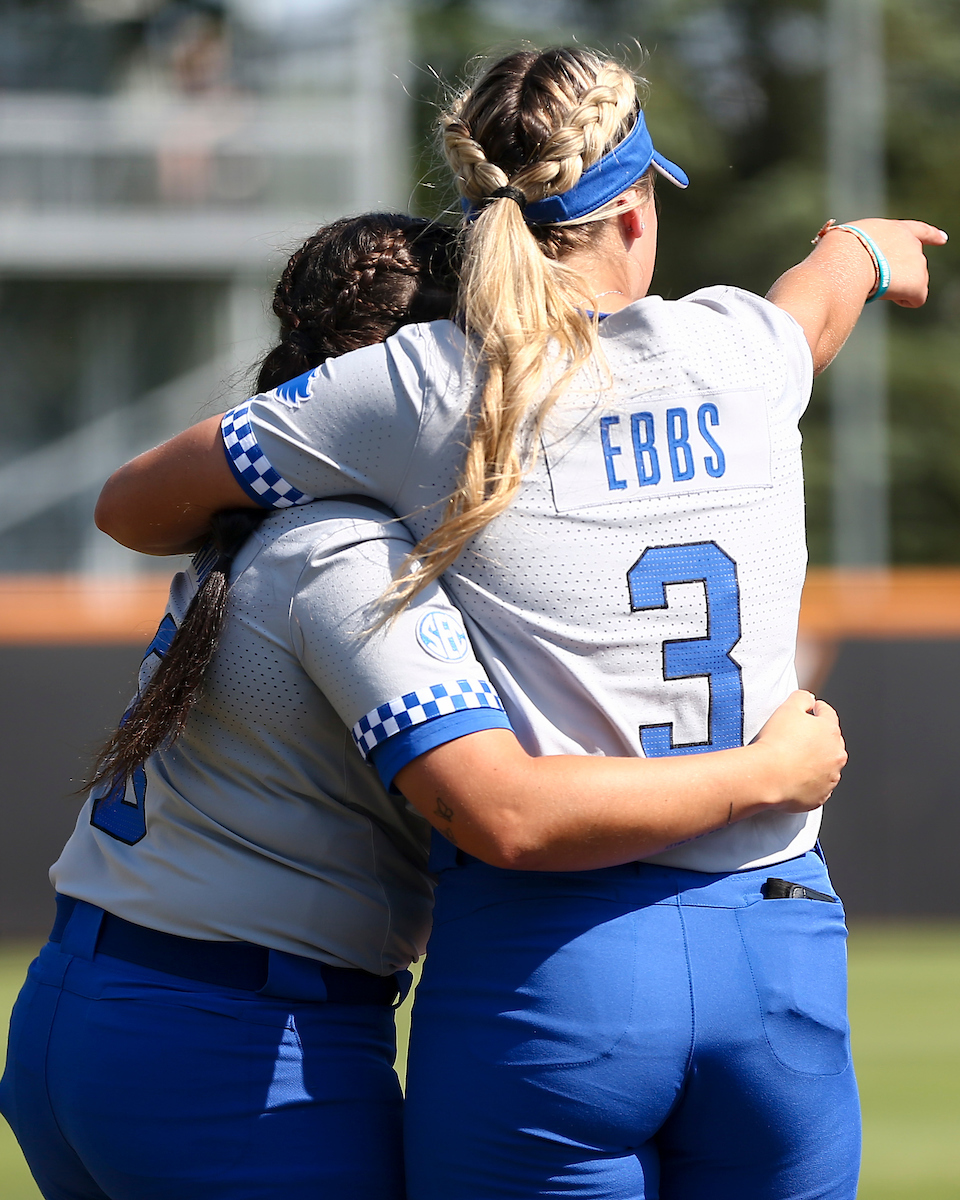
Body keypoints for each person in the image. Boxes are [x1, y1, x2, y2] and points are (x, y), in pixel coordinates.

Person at [89, 45, 942, 1199]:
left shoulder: (413, 384)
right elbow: (817, 311)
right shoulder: (744, 351)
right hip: (776, 942)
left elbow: (134, 504)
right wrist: (863, 247)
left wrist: (346, 485)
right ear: (635, 213)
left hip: (553, 967)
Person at [1, 213, 842, 1200]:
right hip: (233, 1051)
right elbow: (506, 811)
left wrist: (851, 258)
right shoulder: (353, 555)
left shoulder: (283, 518)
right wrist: (762, 777)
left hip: (102, 1000)